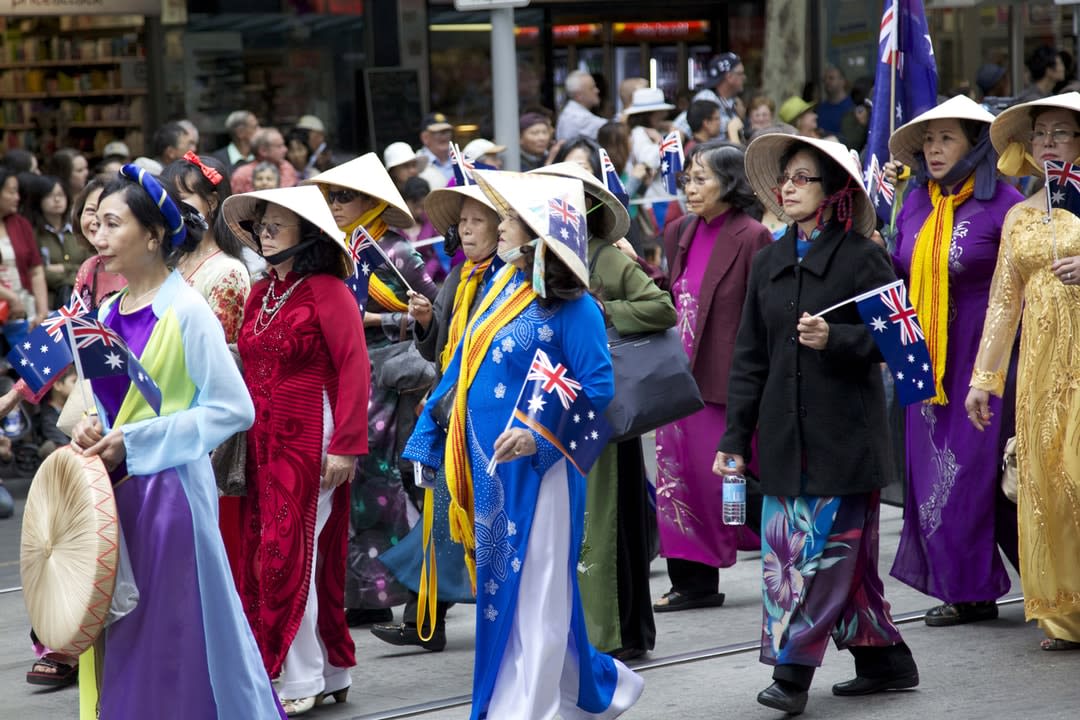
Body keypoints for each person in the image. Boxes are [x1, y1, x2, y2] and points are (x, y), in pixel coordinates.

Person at [403, 168, 643, 719]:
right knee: (500, 594)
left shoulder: (574, 305)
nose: (499, 226)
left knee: (537, 592)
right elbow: (460, 365)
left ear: (540, 230)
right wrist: (428, 436)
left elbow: (598, 385)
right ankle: (577, 692)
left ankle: (532, 708)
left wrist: (536, 435)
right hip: (486, 469)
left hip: (542, 471)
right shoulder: (501, 285)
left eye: (509, 217)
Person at [69, 164, 283, 718]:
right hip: (112, 498)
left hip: (171, 501)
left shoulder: (188, 311)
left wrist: (135, 442)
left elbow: (234, 408)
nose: (100, 238)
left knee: (175, 635)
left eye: (113, 225)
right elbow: (100, 402)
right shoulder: (107, 312)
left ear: (153, 234)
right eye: (97, 225)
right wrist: (92, 423)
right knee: (122, 633)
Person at [718, 135, 919, 714]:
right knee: (806, 558)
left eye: (804, 178)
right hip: (783, 439)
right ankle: (886, 661)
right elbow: (749, 358)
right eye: (786, 178)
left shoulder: (863, 257)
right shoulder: (767, 262)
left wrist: (839, 339)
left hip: (846, 439)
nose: (789, 187)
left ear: (833, 191)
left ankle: (792, 673)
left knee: (821, 559)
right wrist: (734, 440)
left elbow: (900, 345)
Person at [222, 184, 368, 715]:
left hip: (312, 433)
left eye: (275, 226)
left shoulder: (329, 290)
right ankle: (332, 670)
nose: (264, 234)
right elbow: (250, 356)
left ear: (306, 236)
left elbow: (355, 367)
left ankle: (301, 675)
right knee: (284, 552)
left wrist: (346, 447)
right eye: (261, 225)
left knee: (292, 556)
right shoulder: (261, 291)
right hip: (264, 440)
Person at [883, 95, 1022, 626]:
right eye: (929, 139)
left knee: (977, 474)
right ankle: (966, 589)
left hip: (986, 359)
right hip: (926, 363)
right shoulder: (915, 203)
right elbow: (897, 272)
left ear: (974, 145)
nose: (934, 149)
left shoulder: (1006, 205)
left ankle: (1000, 587)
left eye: (947, 138)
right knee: (932, 476)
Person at [533, 156, 676, 661]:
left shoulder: (604, 257)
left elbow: (662, 307)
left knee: (605, 519)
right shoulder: (538, 258)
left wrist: (598, 310)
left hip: (599, 405)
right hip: (547, 405)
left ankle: (611, 634)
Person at [302, 153, 438, 626]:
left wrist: (381, 319)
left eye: (344, 196)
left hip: (385, 378)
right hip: (340, 376)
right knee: (347, 485)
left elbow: (434, 312)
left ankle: (390, 591)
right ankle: (358, 593)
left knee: (376, 481)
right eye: (330, 197)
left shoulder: (396, 252)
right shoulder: (333, 250)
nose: (334, 205)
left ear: (370, 202)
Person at [967, 92, 1080, 651]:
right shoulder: (1020, 215)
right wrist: (984, 380)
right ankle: (1065, 610)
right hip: (1039, 367)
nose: (1049, 143)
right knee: (1047, 486)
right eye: (1041, 135)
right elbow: (1002, 303)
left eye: (1062, 133)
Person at [374, 182, 502, 652]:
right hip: (451, 410)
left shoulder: (508, 278)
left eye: (476, 223)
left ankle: (427, 621)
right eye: (462, 223)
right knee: (440, 514)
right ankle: (424, 622)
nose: (466, 231)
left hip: (488, 413)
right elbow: (438, 346)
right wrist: (427, 320)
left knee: (457, 516)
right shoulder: (459, 276)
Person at [652, 142, 771, 614]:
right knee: (674, 480)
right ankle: (693, 583)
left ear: (731, 182)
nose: (691, 186)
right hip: (678, 377)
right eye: (689, 178)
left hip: (723, 379)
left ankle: (798, 545)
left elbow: (757, 312)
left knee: (721, 478)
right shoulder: (679, 230)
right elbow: (671, 292)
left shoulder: (752, 235)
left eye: (702, 178)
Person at [160, 152, 250, 343]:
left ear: (212, 201)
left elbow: (218, 347)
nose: (171, 207)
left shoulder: (229, 272)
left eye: (180, 198)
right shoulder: (172, 257)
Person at [23, 173, 94, 307]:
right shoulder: (33, 234)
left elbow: (92, 266)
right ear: (39, 200)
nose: (57, 200)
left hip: (85, 300)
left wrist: (63, 268)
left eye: (60, 195)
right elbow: (39, 273)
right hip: (51, 304)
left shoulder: (79, 228)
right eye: (50, 195)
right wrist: (75, 272)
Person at [0, 165, 49, 328]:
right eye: (11, 192)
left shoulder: (21, 224)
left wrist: (42, 312)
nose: (17, 197)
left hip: (25, 311)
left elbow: (36, 270)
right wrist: (10, 297)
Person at [673, 53, 745, 140]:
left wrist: (740, 117)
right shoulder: (707, 97)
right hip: (709, 152)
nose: (744, 77)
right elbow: (678, 127)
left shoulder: (733, 100)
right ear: (729, 77)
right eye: (740, 73)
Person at [230, 128, 298, 194]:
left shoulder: (287, 167)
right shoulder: (242, 175)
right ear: (263, 151)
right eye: (279, 146)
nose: (285, 150)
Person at [556, 69, 608, 142]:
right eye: (592, 88)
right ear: (579, 95)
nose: (597, 90)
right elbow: (611, 129)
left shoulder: (573, 111)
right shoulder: (576, 117)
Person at [418, 112, 455, 188]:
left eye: (447, 131)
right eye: (438, 132)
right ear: (425, 137)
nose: (444, 136)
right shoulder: (416, 164)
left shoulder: (462, 159)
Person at [817, 66, 854, 138]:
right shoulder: (820, 109)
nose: (827, 82)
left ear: (842, 81)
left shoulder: (852, 107)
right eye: (824, 79)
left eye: (831, 78)